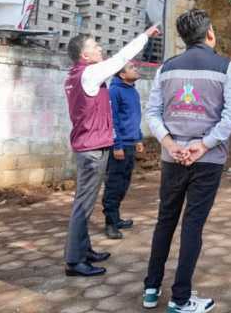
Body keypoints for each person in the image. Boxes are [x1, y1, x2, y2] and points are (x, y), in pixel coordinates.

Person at [142, 9, 231, 313]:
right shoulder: (227, 68)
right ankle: (180, 299)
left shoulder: (166, 68)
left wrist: (170, 144)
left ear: (184, 38)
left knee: (165, 220)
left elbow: (152, 113)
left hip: (172, 158)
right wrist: (204, 145)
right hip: (208, 160)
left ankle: (151, 289)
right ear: (210, 33)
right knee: (192, 225)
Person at [64, 25, 159, 277]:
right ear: (84, 55)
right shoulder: (88, 73)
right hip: (92, 149)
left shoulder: (75, 76)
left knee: (84, 202)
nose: (100, 48)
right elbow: (121, 58)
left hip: (89, 146)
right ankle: (74, 261)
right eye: (94, 46)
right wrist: (145, 36)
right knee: (83, 205)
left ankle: (84, 251)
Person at [102, 61, 144, 239]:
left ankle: (116, 218)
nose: (136, 69)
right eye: (131, 68)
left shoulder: (133, 91)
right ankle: (110, 224)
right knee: (114, 185)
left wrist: (138, 138)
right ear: (122, 74)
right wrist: (117, 144)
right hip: (119, 146)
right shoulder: (114, 91)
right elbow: (112, 120)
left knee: (124, 183)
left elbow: (134, 118)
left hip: (130, 144)